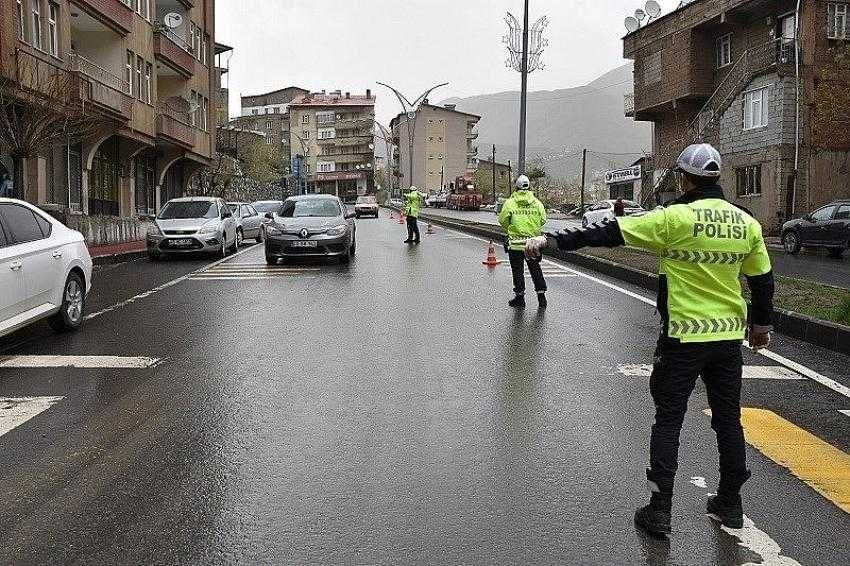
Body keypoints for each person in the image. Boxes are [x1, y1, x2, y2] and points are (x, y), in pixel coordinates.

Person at [526, 143, 775, 536]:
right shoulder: (746, 223)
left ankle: (660, 509)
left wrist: (552, 242)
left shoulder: (674, 218)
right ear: (717, 177)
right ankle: (731, 503)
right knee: (729, 420)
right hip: (728, 339)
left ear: (683, 178)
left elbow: (609, 232)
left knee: (669, 420)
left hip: (682, 337)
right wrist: (761, 327)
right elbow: (762, 280)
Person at [498, 175, 548, 309]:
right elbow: (543, 219)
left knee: (517, 271)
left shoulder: (510, 203)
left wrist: (512, 228)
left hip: (515, 244)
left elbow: (502, 220)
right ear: (529, 187)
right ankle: (541, 296)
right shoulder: (537, 203)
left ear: (516, 187)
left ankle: (520, 298)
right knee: (535, 269)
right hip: (532, 244)